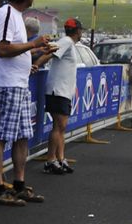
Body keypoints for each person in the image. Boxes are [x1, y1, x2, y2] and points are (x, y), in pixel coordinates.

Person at [0, 0, 53, 205]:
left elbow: (15, 49)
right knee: (1, 135)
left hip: (20, 83)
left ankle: (19, 184)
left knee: (22, 135)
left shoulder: (15, 16)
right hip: (8, 83)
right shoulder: (7, 13)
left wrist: (35, 50)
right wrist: (34, 46)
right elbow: (3, 49)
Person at [36, 18, 84, 175]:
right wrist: (36, 64)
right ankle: (50, 160)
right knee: (59, 126)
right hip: (58, 90)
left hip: (63, 90)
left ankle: (60, 158)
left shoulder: (68, 42)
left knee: (61, 127)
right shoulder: (67, 42)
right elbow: (50, 52)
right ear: (78, 31)